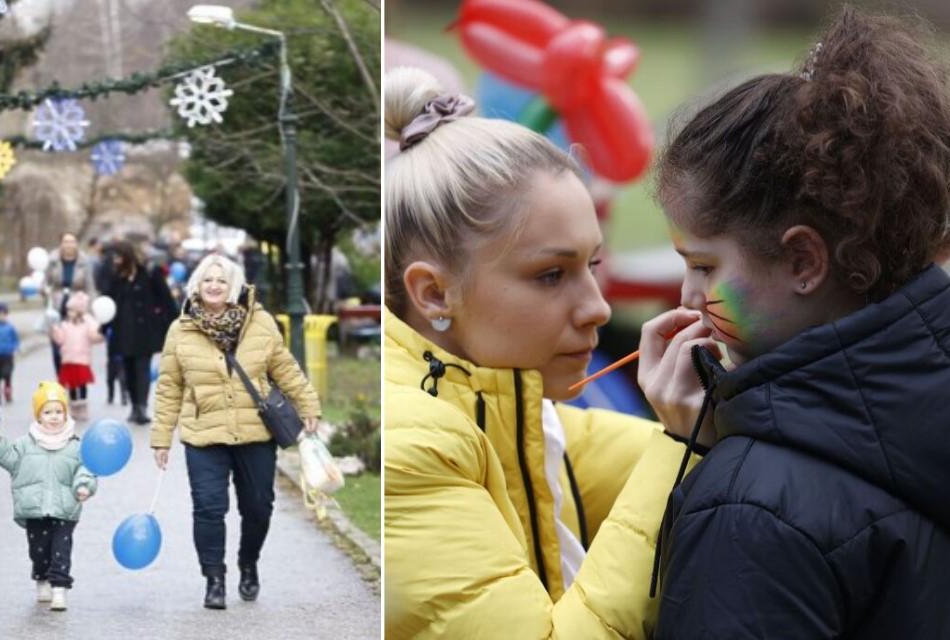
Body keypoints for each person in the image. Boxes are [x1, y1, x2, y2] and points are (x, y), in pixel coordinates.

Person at [645, 9, 950, 638]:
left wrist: (692, 451)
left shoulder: (752, 509)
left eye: (703, 265)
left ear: (804, 260)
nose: (688, 296)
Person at [382, 67, 706, 638]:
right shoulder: (409, 445)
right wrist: (680, 442)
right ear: (434, 293)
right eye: (552, 275)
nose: (599, 310)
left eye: (593, 266)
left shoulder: (519, 412)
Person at [150, 254, 321, 610]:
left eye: (222, 280)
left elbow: (285, 368)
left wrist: (308, 405)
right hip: (203, 435)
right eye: (208, 279)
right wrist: (161, 438)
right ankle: (214, 579)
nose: (214, 286)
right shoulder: (180, 329)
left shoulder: (260, 323)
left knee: (258, 507)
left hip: (255, 432)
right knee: (208, 509)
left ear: (234, 286)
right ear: (197, 284)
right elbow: (169, 386)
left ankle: (248, 562)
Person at [0, 381, 96, 612]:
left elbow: (86, 468)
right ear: (38, 416)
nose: (54, 417)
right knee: (38, 550)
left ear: (66, 414)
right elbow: (8, 456)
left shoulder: (76, 445)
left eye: (58, 412)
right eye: (47, 412)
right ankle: (42, 577)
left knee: (61, 548)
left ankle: (59, 588)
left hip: (66, 508)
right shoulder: (26, 444)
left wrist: (84, 486)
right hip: (34, 508)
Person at [105, 240, 177, 425]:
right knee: (128, 370)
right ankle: (134, 405)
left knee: (142, 368)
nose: (115, 260)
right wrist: (103, 327)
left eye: (118, 256)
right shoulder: (116, 277)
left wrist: (177, 323)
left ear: (127, 256)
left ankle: (142, 407)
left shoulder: (150, 273)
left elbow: (166, 300)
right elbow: (108, 304)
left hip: (144, 330)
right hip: (123, 330)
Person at [43, 232, 97, 374]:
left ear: (76, 244)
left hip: (77, 307)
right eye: (65, 241)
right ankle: (60, 377)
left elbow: (90, 287)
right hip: (56, 306)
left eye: (72, 241)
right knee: (56, 346)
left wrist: (90, 311)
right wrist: (44, 290)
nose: (69, 245)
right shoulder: (52, 260)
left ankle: (74, 382)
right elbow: (45, 282)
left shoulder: (84, 262)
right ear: (61, 243)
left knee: (74, 346)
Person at [50, 291, 104, 422]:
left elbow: (94, 336)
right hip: (68, 359)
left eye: (72, 311)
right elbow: (60, 340)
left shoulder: (88, 323)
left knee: (82, 384)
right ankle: (74, 408)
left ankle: (83, 407)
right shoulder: (65, 324)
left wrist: (102, 334)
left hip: (82, 360)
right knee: (72, 385)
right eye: (69, 311)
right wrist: (55, 331)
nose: (69, 313)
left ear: (80, 311)